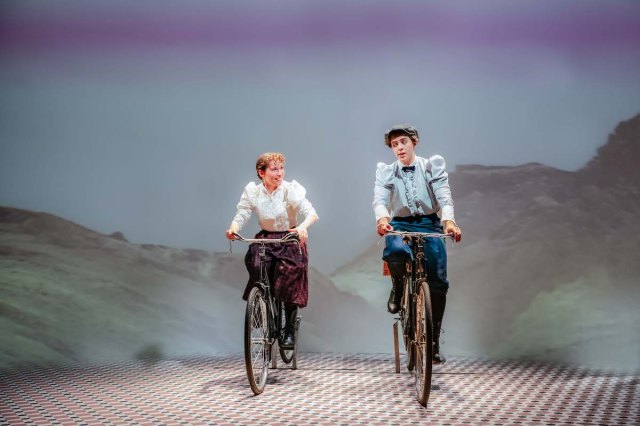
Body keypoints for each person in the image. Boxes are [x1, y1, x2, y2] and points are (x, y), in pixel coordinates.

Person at [373, 124, 462, 364]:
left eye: (403, 142)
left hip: (429, 223)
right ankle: (398, 285)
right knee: (394, 250)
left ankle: (432, 340)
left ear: (414, 142)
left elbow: (444, 194)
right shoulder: (387, 171)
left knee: (438, 281)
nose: (399, 148)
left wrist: (449, 222)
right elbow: (380, 199)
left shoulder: (431, 165)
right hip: (400, 224)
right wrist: (382, 219)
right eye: (394, 145)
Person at [226, 152, 319, 348]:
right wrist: (234, 227)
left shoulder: (290, 190)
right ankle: (260, 304)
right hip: (267, 238)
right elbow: (243, 213)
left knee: (289, 276)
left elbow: (311, 212)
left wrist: (302, 227)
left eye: (281, 169)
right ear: (262, 172)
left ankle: (289, 330)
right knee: (255, 263)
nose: (280, 173)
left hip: (288, 238)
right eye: (274, 169)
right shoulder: (254, 192)